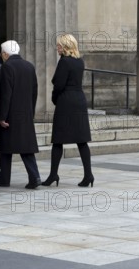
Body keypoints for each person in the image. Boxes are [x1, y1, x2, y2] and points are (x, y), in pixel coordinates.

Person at [42, 34, 94, 188]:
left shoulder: (64, 62)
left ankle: (53, 174)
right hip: (79, 100)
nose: (57, 48)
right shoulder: (79, 61)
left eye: (59, 45)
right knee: (81, 140)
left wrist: (54, 98)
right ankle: (88, 175)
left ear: (65, 46)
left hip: (66, 102)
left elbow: (59, 84)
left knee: (58, 140)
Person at [0, 40, 42, 189]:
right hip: (26, 113)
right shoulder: (29, 66)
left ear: (5, 54)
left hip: (11, 114)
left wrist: (2, 116)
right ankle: (34, 176)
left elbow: (5, 94)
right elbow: (35, 92)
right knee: (26, 148)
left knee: (5, 149)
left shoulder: (7, 67)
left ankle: (4, 178)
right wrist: (31, 111)